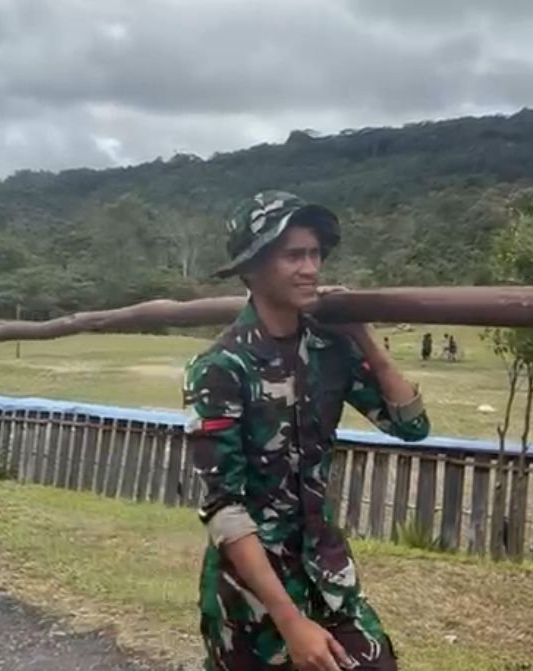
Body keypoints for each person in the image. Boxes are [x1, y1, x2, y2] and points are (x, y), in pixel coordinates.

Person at [183, 190, 431, 671]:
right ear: (252, 268)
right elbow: (224, 510)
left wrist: (364, 337)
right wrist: (290, 622)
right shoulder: (220, 368)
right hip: (252, 598)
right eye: (293, 255)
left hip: (327, 578)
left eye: (315, 254)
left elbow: (412, 426)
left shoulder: (328, 349)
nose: (310, 268)